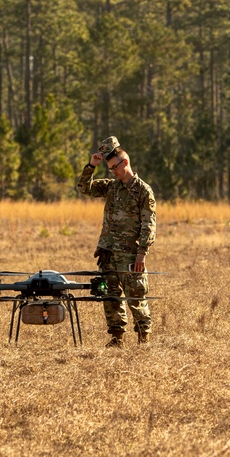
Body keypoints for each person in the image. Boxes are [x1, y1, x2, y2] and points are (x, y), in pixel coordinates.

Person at [76, 136, 156, 347]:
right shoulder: (111, 187)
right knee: (110, 298)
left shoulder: (143, 191)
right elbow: (84, 188)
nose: (113, 172)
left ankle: (143, 340)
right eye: (110, 169)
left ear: (126, 162)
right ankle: (116, 339)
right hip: (107, 253)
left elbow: (149, 224)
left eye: (115, 167)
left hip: (130, 254)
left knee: (136, 297)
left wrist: (142, 253)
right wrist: (91, 166)